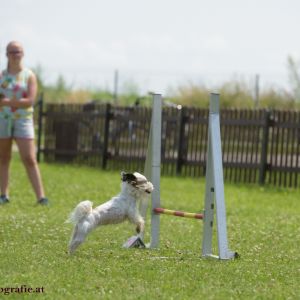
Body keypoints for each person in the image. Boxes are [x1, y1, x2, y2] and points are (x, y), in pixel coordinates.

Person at [0, 41, 48, 205]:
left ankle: (41, 197)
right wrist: (11, 102)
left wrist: (6, 102)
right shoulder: (2, 75)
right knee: (4, 158)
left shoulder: (29, 75)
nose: (15, 54)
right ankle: (4, 195)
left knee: (29, 158)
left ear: (23, 54)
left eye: (18, 51)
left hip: (24, 120)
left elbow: (30, 101)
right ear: (6, 54)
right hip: (3, 120)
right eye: (12, 51)